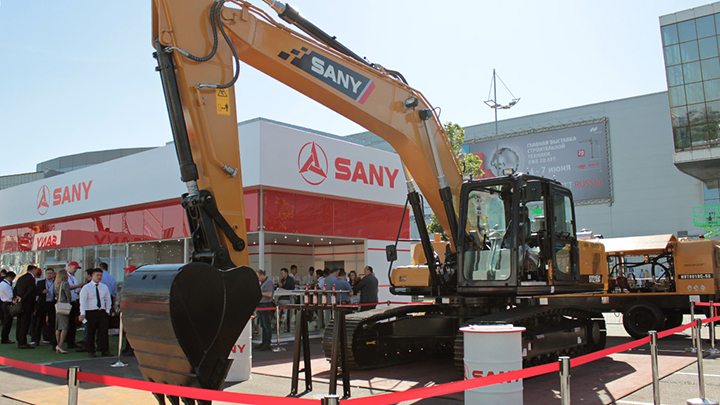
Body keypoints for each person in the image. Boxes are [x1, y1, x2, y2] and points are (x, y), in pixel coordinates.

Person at [78, 268, 112, 357]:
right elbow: (83, 301)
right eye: (97, 275)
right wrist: (82, 313)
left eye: (100, 275)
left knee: (103, 332)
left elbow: (108, 299)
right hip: (91, 312)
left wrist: (107, 310)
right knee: (91, 332)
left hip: (102, 312)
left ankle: (105, 350)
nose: (99, 277)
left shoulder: (104, 287)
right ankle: (91, 350)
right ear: (92, 276)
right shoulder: (86, 287)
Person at [14, 264, 40, 348]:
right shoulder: (31, 279)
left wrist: (17, 298)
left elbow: (15, 289)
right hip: (27, 304)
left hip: (20, 304)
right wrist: (23, 298)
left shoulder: (21, 278)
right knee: (25, 323)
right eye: (36, 270)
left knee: (20, 322)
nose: (37, 272)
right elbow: (30, 291)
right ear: (33, 270)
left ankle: (19, 339)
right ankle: (22, 342)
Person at [32, 268, 56, 347]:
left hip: (52, 304)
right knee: (40, 322)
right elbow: (35, 292)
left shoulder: (56, 282)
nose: (49, 275)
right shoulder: (41, 282)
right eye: (48, 273)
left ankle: (52, 339)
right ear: (45, 274)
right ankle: (37, 340)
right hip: (42, 304)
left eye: (51, 273)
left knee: (52, 322)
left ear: (53, 274)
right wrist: (42, 292)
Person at [119, 264, 137, 355]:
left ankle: (131, 348)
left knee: (131, 329)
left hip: (132, 309)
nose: (126, 273)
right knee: (127, 329)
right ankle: (127, 347)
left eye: (127, 272)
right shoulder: (129, 282)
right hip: (128, 308)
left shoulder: (133, 283)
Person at [65, 261, 83, 349]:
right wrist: (78, 286)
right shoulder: (65, 276)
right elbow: (66, 287)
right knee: (67, 323)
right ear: (70, 266)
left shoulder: (73, 277)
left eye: (76, 268)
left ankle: (71, 340)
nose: (75, 270)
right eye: (75, 268)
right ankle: (68, 340)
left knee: (72, 323)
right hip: (67, 302)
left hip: (73, 301)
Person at [255, 269, 274, 351]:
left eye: (258, 277)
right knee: (263, 324)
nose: (258, 279)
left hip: (266, 305)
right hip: (261, 305)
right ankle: (264, 341)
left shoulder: (268, 282)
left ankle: (267, 342)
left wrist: (259, 292)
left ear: (262, 275)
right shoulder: (263, 282)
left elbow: (269, 294)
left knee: (266, 325)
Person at [54, 269, 71, 354]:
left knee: (58, 327)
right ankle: (60, 345)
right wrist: (69, 302)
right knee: (64, 326)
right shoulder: (65, 283)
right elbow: (68, 295)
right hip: (64, 305)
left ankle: (58, 344)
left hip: (58, 305)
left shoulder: (56, 284)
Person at [1, 271, 17, 344]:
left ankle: (4, 337)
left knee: (6, 321)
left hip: (4, 302)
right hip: (8, 303)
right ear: (9, 277)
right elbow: (10, 295)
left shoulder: (2, 284)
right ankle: (5, 338)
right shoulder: (6, 285)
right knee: (8, 322)